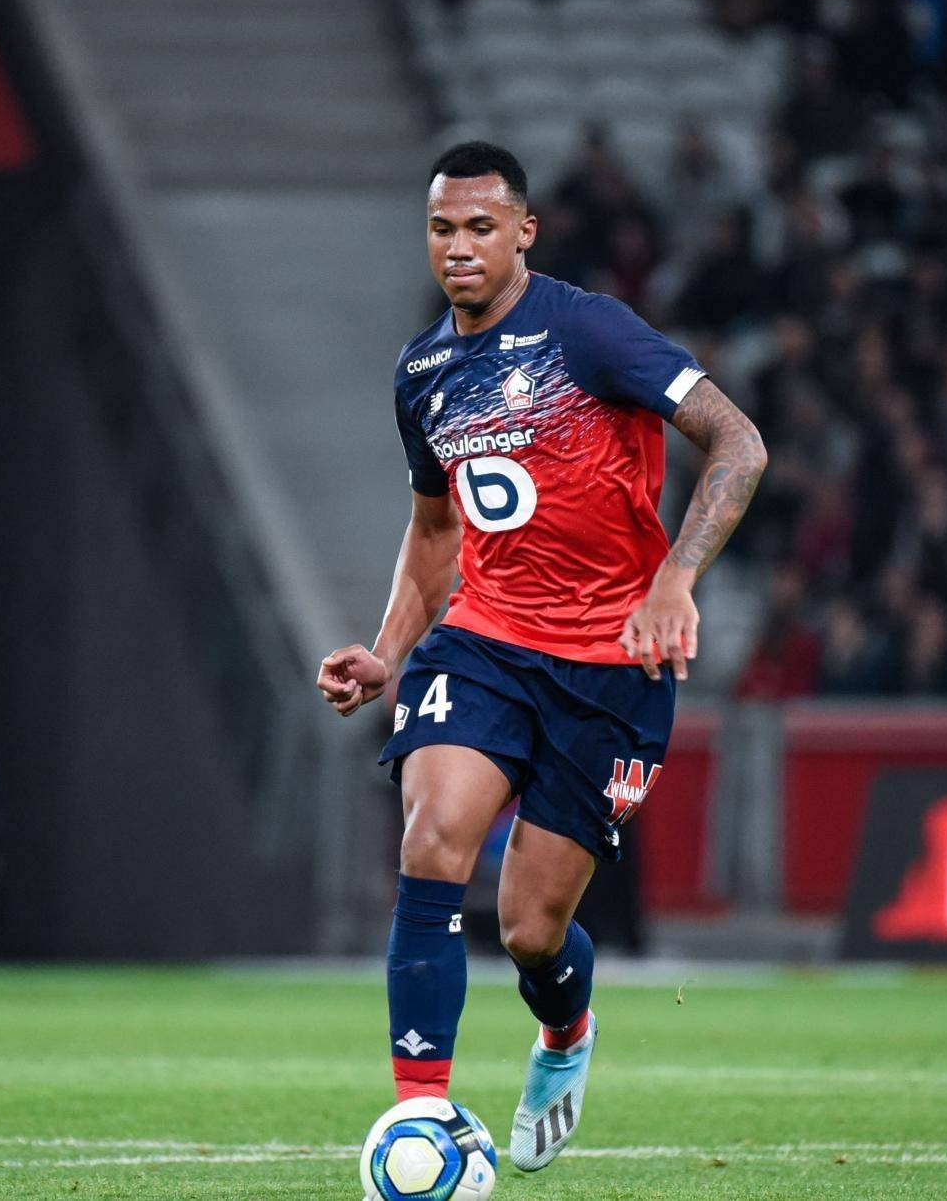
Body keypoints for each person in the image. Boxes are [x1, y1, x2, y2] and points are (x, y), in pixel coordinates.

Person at [316, 142, 764, 1173]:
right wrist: (388, 652)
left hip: (610, 665)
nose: (459, 247)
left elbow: (738, 442)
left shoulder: (589, 330)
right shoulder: (422, 372)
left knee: (529, 929)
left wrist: (674, 578)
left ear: (524, 231)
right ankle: (420, 1118)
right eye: (442, 229)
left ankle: (565, 1029)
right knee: (433, 839)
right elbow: (437, 531)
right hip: (483, 642)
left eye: (480, 227)